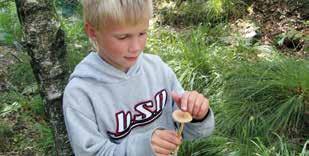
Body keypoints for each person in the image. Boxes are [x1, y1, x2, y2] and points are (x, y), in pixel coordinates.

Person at [62, 0, 215, 155]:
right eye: (122, 37)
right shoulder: (80, 92)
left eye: (142, 33)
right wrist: (143, 148)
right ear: (92, 31)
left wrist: (197, 115)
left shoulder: (157, 69)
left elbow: (187, 132)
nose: (136, 47)